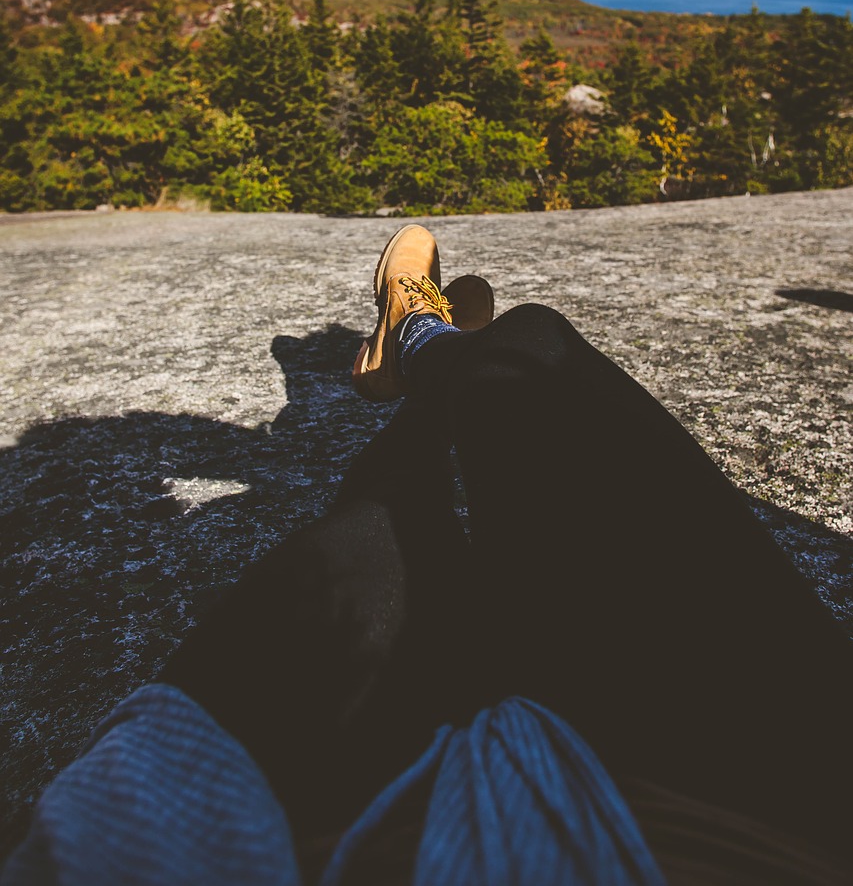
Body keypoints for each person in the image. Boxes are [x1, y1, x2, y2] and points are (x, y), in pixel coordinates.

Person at [3, 225, 851, 885]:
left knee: (401, 505)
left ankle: (417, 342)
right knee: (530, 352)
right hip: (775, 811)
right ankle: (426, 347)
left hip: (243, 816)